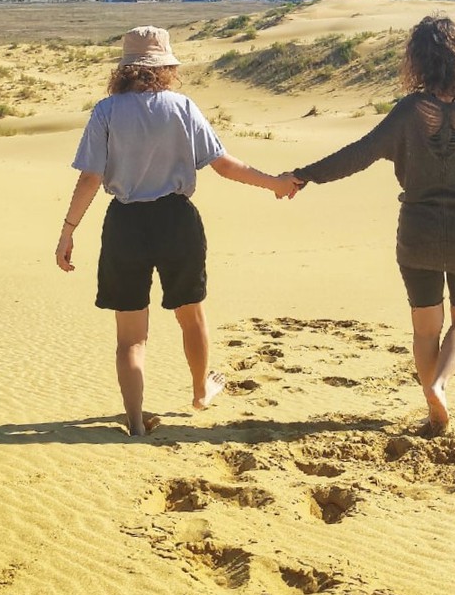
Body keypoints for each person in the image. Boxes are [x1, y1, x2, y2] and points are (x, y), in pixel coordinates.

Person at [290, 15, 455, 434]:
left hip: (418, 231)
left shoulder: (408, 112)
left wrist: (305, 175)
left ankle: (431, 406)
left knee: (426, 329)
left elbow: (359, 153)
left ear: (418, 61)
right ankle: (440, 385)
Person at [56, 25, 299, 435]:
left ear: (125, 69)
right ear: (165, 67)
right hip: (177, 222)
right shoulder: (182, 107)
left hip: (125, 225)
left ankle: (134, 421)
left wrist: (68, 231)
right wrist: (274, 182)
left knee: (131, 338)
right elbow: (223, 164)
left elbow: (90, 178)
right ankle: (200, 393)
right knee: (192, 318)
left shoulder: (106, 111)